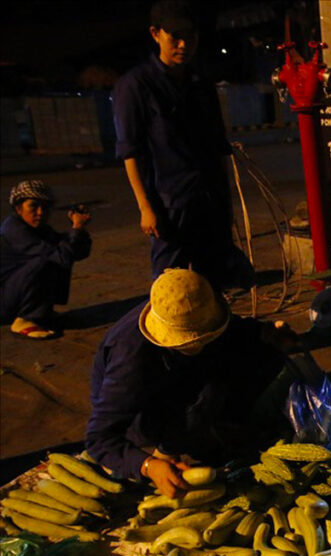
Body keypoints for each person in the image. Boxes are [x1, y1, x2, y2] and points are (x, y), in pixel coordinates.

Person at [86, 269, 294, 497]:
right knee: (208, 395)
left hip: (175, 380)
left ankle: (211, 429)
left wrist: (265, 333)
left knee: (261, 357)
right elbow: (99, 439)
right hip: (142, 416)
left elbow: (233, 330)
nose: (200, 341)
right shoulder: (131, 358)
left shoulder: (194, 309)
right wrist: (147, 466)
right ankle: (167, 449)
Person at [113, 0, 252, 291]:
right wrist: (145, 206)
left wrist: (226, 202)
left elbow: (218, 146)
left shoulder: (201, 84)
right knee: (170, 287)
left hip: (209, 200)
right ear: (155, 34)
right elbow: (130, 151)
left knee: (213, 285)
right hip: (170, 204)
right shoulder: (136, 85)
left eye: (190, 36)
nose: (183, 44)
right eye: (175, 37)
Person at [1, 180, 92, 339]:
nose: (40, 212)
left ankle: (41, 313)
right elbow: (61, 256)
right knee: (47, 261)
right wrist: (76, 229)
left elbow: (76, 253)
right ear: (18, 207)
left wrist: (78, 228)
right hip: (3, 299)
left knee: (56, 256)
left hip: (11, 293)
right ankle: (25, 319)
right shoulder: (14, 229)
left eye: (45, 207)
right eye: (33, 206)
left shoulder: (41, 229)